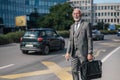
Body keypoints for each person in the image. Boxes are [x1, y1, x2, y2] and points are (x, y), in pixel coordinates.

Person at [65, 8, 94, 80]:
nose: (76, 15)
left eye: (77, 13)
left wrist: (90, 53)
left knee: (84, 72)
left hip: (83, 53)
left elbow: (89, 39)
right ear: (72, 15)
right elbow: (70, 40)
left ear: (80, 14)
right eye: (74, 14)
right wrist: (68, 52)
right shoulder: (72, 26)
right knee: (74, 70)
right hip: (74, 53)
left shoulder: (86, 24)